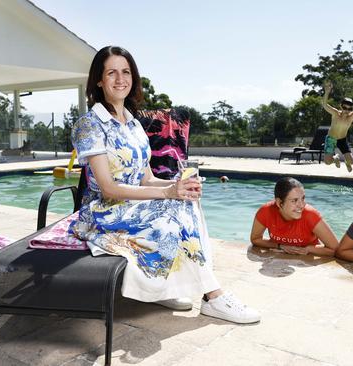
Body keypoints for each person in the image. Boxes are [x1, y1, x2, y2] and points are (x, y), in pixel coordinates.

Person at [69, 45, 260, 324]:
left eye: (126, 72)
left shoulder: (133, 125)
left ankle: (173, 287)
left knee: (187, 203)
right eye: (111, 72)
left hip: (132, 204)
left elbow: (146, 178)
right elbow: (108, 188)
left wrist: (179, 185)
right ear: (99, 79)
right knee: (170, 217)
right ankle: (213, 296)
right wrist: (168, 193)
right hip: (104, 212)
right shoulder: (89, 124)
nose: (120, 79)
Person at [250, 177, 339, 256]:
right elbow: (255, 239)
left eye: (303, 198)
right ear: (279, 203)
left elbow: (336, 249)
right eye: (294, 200)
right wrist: (280, 246)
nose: (301, 205)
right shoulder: (266, 211)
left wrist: (308, 249)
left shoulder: (310, 215)